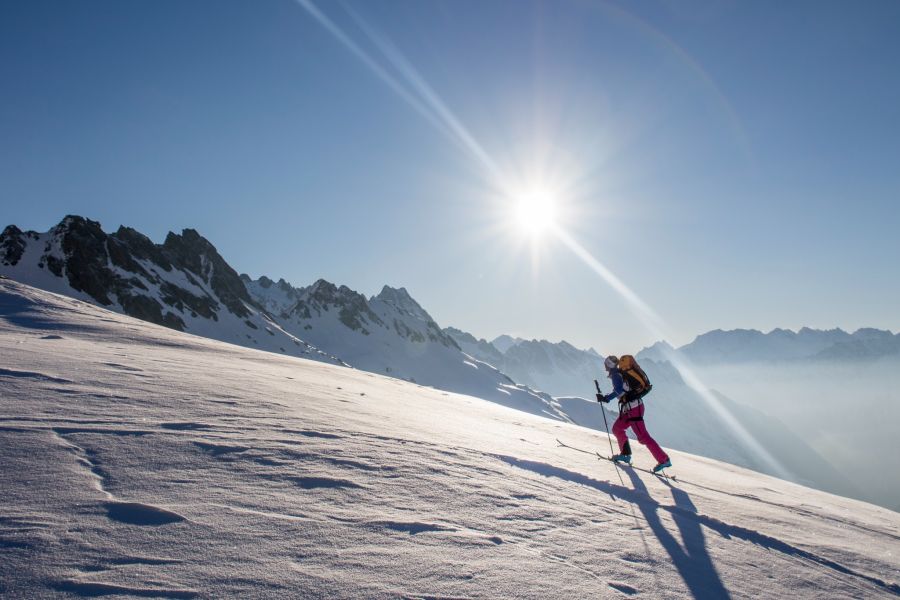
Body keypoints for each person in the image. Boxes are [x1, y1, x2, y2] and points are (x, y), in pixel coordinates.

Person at [597, 355, 671, 473]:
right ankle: (625, 455)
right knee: (617, 429)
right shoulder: (618, 373)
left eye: (605, 363)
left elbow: (619, 390)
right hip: (631, 408)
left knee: (643, 437)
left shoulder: (616, 375)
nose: (604, 365)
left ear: (608, 365)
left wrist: (606, 398)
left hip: (634, 408)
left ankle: (664, 459)